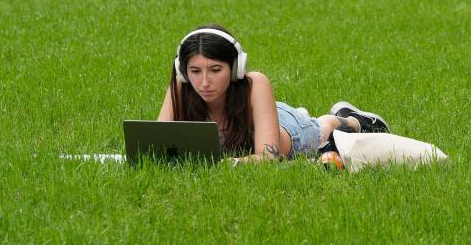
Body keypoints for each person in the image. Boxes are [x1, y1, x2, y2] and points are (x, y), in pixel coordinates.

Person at [159, 25, 389, 163]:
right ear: (184, 71)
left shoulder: (254, 83)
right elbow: (155, 145)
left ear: (236, 67)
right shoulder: (181, 87)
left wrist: (222, 164)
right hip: (261, 117)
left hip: (291, 133)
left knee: (322, 128)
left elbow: (269, 157)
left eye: (216, 70)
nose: (205, 82)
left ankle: (352, 118)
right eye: (195, 71)